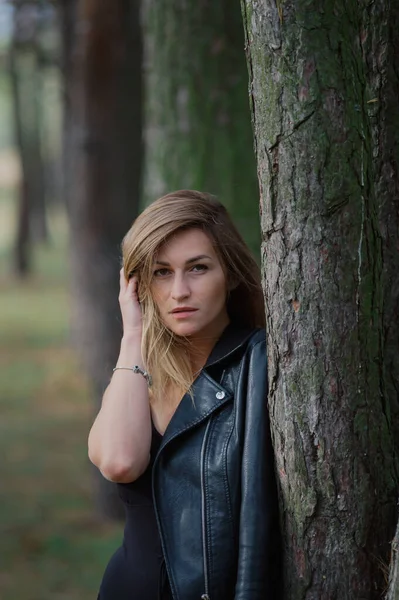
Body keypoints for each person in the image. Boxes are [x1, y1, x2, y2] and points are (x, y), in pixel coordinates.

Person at [88, 190, 282, 600]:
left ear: (229, 274)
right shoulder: (139, 369)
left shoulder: (259, 364)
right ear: (138, 285)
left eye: (197, 268)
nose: (179, 291)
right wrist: (134, 335)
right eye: (161, 272)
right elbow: (120, 461)